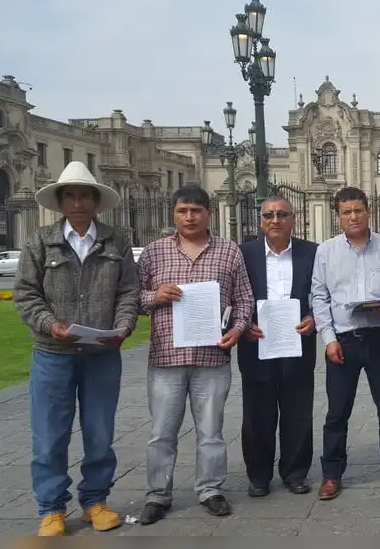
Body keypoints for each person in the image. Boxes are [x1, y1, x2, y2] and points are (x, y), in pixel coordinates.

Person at [13, 161, 139, 537]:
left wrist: (124, 326)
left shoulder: (116, 241)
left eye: (85, 195)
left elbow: (128, 292)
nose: (79, 202)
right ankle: (51, 508)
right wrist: (51, 324)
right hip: (52, 353)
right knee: (49, 434)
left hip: (101, 353)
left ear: (96, 201)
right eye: (71, 195)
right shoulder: (40, 241)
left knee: (100, 432)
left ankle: (95, 501)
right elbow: (25, 294)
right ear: (61, 201)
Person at [134, 185, 255, 525]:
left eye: (196, 211)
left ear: (208, 214)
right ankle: (158, 494)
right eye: (183, 211)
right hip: (166, 358)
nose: (189, 217)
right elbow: (133, 297)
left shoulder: (228, 251)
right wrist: (154, 296)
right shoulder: (155, 253)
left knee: (211, 431)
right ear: (174, 214)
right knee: (162, 432)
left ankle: (210, 489)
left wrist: (238, 329)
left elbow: (244, 298)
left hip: (212, 358)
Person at [311, 186, 380, 500]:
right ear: (338, 217)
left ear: (368, 211)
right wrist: (328, 339)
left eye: (358, 210)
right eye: (346, 212)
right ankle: (331, 474)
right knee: (337, 412)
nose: (353, 217)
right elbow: (319, 297)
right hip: (343, 341)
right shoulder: (326, 251)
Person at [238, 196, 318, 497]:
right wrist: (243, 324)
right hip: (256, 342)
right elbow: (231, 294)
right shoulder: (244, 253)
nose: (275, 220)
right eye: (269, 215)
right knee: (257, 414)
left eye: (282, 214)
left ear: (293, 219)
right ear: (261, 221)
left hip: (298, 341)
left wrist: (314, 317)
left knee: (298, 412)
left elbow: (322, 292)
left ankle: (295, 473)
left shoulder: (312, 252)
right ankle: (258, 476)